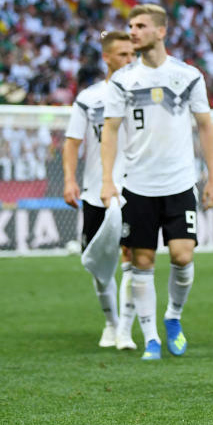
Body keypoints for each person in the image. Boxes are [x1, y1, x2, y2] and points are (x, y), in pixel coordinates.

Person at [100, 4, 213, 361]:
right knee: (142, 260)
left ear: (161, 31)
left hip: (180, 183)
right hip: (137, 185)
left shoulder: (187, 76)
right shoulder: (122, 80)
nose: (132, 31)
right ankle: (151, 337)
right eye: (130, 25)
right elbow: (110, 129)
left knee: (183, 256)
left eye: (140, 26)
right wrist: (108, 180)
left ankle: (173, 318)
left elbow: (205, 126)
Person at [63, 31, 136, 349]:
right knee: (98, 262)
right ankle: (111, 322)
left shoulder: (144, 94)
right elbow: (72, 142)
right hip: (96, 189)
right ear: (106, 57)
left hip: (135, 187)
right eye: (123, 55)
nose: (129, 60)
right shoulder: (89, 99)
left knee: (135, 256)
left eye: (133, 54)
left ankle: (126, 330)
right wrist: (69, 179)